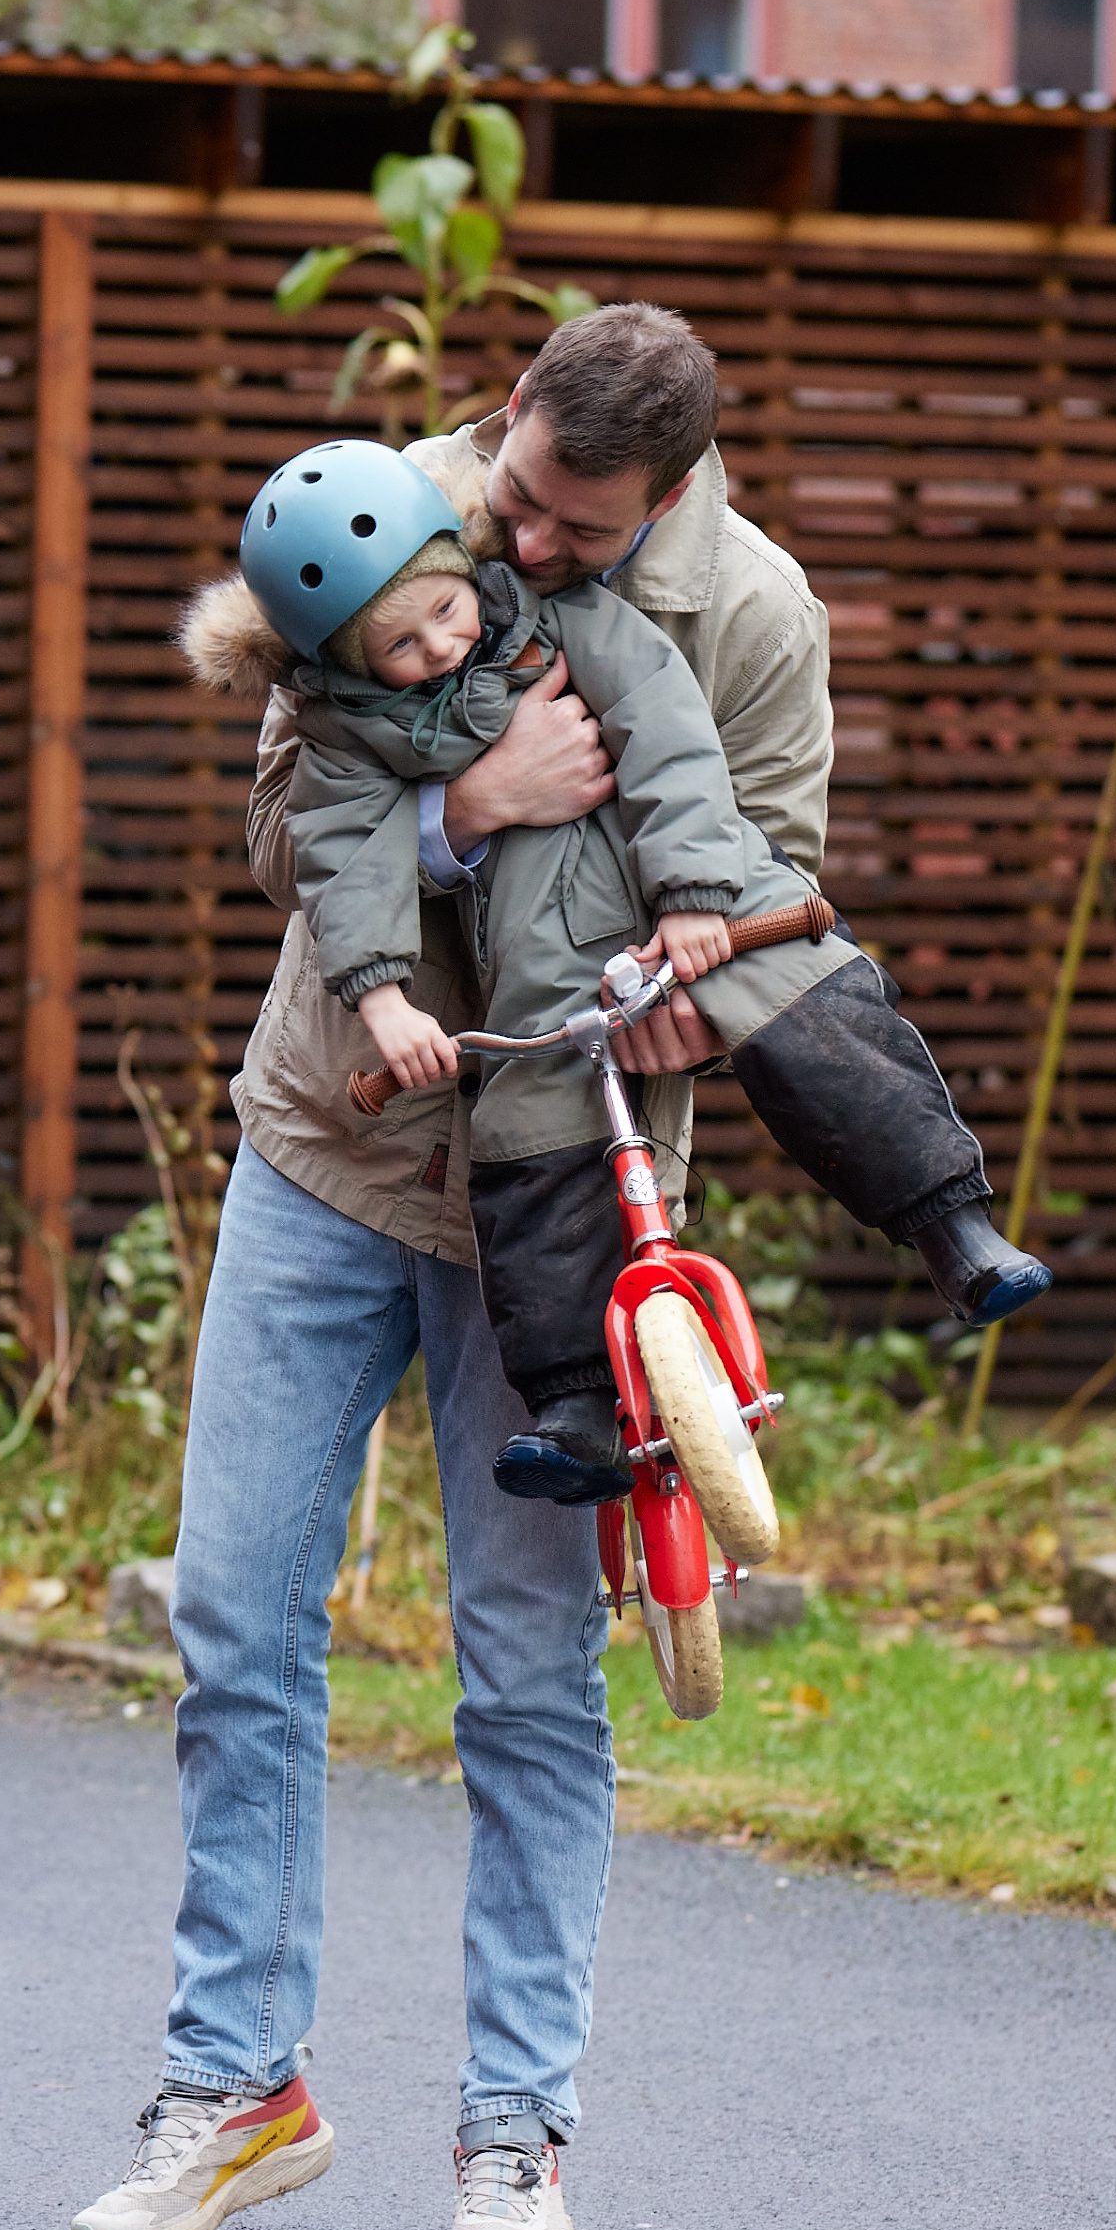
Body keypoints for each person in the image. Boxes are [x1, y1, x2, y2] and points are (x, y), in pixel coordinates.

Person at [66, 304, 854, 2230]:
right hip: (324, 1152)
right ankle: (233, 2090)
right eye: (513, 498)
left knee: (519, 1673)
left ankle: (513, 2142)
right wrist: (464, 802)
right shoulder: (379, 515)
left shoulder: (752, 621)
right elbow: (278, 819)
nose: (526, 547)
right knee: (235, 1610)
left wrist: (692, 962)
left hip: (561, 1207)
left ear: (660, 498)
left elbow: (782, 901)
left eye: (577, 534)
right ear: (499, 421)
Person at [173, 438, 1046, 1501]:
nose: (441, 650)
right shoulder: (348, 724)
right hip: (549, 948)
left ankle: (951, 1224)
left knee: (813, 1006)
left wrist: (690, 900)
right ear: (344, 662)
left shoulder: (557, 611)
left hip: (702, 884)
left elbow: (669, 730)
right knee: (538, 1149)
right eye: (397, 647)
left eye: (445, 612)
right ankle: (577, 1407)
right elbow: (332, 856)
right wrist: (386, 993)